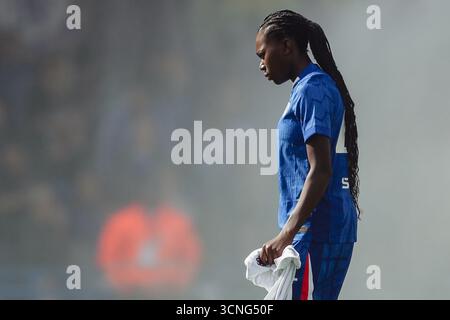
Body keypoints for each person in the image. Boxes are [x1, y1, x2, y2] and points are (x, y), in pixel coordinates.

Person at [255, 10, 360, 300]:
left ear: (286, 46)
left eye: (263, 54)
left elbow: (321, 169)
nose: (261, 65)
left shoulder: (312, 90)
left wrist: (286, 233)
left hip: (315, 228)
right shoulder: (309, 87)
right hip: (314, 225)